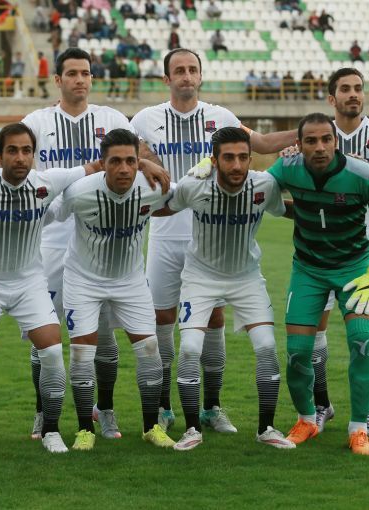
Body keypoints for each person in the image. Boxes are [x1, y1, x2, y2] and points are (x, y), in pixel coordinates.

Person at [131, 48, 296, 435]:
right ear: (166, 79)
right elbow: (127, 154)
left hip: (213, 233)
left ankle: (211, 407)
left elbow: (262, 143)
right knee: (163, 319)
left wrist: (303, 135)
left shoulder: (221, 117)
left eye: (193, 69)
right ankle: (164, 406)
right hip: (166, 233)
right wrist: (144, 159)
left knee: (214, 318)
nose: (187, 75)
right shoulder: (145, 119)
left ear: (201, 76)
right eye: (179, 70)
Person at [20, 47, 168, 441]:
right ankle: (43, 411)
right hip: (52, 239)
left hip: (107, 234)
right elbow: (17, 170)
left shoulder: (112, 119)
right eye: (71, 73)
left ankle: (105, 411)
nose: (79, 80)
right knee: (45, 334)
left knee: (103, 334)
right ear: (58, 80)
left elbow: (140, 154)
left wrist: (145, 162)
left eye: (85, 73)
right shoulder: (36, 122)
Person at [0, 123, 101, 457]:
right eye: (12, 151)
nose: (20, 157)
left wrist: (147, 166)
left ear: (34, 155)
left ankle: (50, 430)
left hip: (30, 283)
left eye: (26, 150)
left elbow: (96, 167)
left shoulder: (47, 182)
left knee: (53, 353)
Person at [268, 113, 369, 455]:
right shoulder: (287, 168)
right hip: (308, 270)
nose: (319, 147)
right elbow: (258, 189)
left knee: (361, 342)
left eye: (326, 139)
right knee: (297, 351)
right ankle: (307, 420)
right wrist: (209, 166)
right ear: (298, 145)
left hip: (355, 269)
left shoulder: (363, 174)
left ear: (336, 142)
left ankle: (359, 429)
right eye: (310, 141)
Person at [154, 127, 294, 450]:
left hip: (247, 277)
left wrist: (334, 212)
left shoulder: (264, 186)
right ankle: (192, 429)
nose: (237, 165)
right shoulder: (194, 185)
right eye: (228, 158)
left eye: (243, 157)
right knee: (190, 349)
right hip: (200, 278)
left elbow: (288, 208)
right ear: (214, 160)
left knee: (267, 347)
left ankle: (266, 428)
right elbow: (163, 206)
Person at [52, 128, 175, 450]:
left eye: (131, 161)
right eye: (115, 161)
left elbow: (189, 195)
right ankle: (85, 429)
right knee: (82, 352)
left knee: (149, 349)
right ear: (102, 163)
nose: (123, 168)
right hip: (82, 280)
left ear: (138, 162)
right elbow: (51, 211)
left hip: (130, 281)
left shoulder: (153, 188)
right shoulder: (79, 192)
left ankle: (151, 427)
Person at [307, 68, 369, 436]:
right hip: (319, 249)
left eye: (358, 88)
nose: (353, 94)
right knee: (314, 326)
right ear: (332, 98)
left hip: (367, 250)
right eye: (345, 89)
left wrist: (340, 173)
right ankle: (322, 404)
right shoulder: (318, 133)